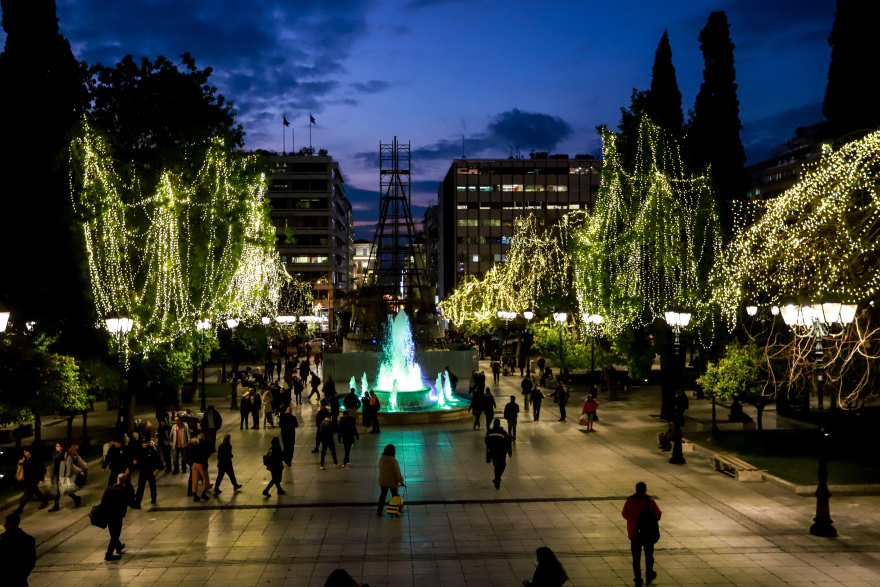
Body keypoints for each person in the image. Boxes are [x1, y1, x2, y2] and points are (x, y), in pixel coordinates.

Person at [622, 482, 662, 587]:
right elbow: (658, 515)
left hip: (634, 533)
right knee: (649, 554)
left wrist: (632, 521)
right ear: (645, 490)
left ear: (636, 489)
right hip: (647, 533)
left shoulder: (629, 501)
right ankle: (649, 573)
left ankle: (638, 578)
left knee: (636, 557)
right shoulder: (649, 501)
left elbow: (624, 514)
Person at [100, 473, 132, 561]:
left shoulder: (109, 488)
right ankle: (108, 554)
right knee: (115, 535)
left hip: (108, 515)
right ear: (124, 481)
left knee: (113, 533)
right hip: (117, 515)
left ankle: (118, 546)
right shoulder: (124, 490)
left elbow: (103, 501)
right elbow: (129, 501)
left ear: (117, 479)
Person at [0, 513, 36, 587]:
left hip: (19, 577)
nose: (6, 527)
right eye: (5, 525)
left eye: (8, 525)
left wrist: (24, 573)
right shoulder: (2, 539)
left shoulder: (27, 540)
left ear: (16, 524)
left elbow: (31, 559)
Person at [48, 441, 82, 511]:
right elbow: (53, 465)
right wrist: (51, 474)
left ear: (62, 447)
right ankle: (56, 505)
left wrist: (67, 476)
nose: (56, 447)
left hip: (63, 475)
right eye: (56, 446)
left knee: (65, 490)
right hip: (56, 475)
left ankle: (76, 498)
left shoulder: (67, 455)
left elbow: (69, 466)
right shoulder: (55, 454)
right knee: (56, 491)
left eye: (58, 446)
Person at [14, 449, 48, 514]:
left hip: (32, 479)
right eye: (24, 452)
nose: (25, 454)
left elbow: (41, 469)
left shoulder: (34, 460)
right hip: (28, 479)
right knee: (36, 491)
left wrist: (41, 478)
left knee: (27, 493)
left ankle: (20, 508)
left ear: (30, 452)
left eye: (26, 452)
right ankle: (44, 502)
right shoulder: (27, 460)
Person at [375, 444, 405, 516]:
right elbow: (397, 473)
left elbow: (379, 466)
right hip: (392, 482)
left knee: (383, 496)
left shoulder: (381, 458)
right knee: (395, 496)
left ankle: (379, 510)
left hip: (383, 481)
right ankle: (396, 510)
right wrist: (401, 482)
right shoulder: (393, 461)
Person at [132, 436, 161, 508]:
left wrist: (156, 469)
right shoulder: (139, 451)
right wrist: (135, 463)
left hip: (150, 471)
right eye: (143, 443)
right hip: (143, 472)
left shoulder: (152, 451)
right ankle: (138, 502)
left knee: (152, 485)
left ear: (147, 443)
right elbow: (137, 461)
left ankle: (153, 497)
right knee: (140, 487)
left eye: (145, 443)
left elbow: (157, 461)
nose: (143, 444)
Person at [485, 418, 512, 489]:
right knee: (503, 465)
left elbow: (486, 441)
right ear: (499, 424)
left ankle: (497, 480)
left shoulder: (489, 432)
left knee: (496, 466)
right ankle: (497, 479)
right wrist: (509, 452)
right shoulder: (503, 432)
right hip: (501, 452)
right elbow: (508, 442)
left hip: (493, 452)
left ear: (494, 424)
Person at [189, 435, 212, 501]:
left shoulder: (194, 446)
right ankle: (203, 493)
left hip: (194, 464)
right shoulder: (204, 446)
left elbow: (190, 455)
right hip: (201, 464)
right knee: (205, 479)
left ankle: (195, 494)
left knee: (195, 480)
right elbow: (206, 455)